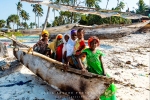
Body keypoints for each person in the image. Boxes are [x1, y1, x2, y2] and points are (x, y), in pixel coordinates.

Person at [77, 36, 117, 100]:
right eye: (92, 43)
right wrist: (82, 68)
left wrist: (104, 71)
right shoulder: (87, 51)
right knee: (98, 85)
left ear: (97, 44)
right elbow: (78, 58)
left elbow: (102, 62)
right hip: (92, 70)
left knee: (110, 84)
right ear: (90, 44)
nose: (94, 44)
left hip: (100, 70)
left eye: (95, 43)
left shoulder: (99, 52)